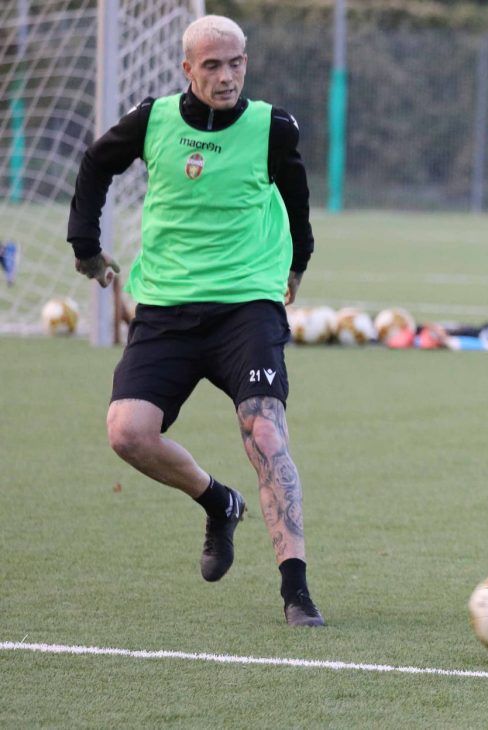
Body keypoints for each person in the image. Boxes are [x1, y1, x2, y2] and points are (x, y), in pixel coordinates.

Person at [66, 15, 324, 627]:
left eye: (236, 62)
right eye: (212, 65)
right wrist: (85, 246)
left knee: (265, 433)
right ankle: (217, 501)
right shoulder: (152, 120)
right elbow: (95, 164)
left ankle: (297, 592)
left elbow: (297, 197)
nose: (227, 75)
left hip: (246, 307)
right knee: (127, 432)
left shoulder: (271, 127)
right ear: (188, 69)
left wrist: (298, 264)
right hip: (166, 310)